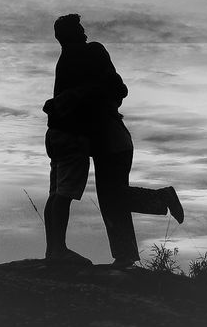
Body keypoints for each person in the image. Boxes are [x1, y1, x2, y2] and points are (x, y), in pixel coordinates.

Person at [42, 13, 183, 269]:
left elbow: (119, 89)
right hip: (100, 142)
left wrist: (76, 97)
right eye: (77, 30)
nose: (83, 33)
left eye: (80, 29)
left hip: (113, 142)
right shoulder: (68, 61)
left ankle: (161, 199)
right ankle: (125, 255)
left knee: (112, 197)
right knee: (110, 198)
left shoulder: (91, 53)